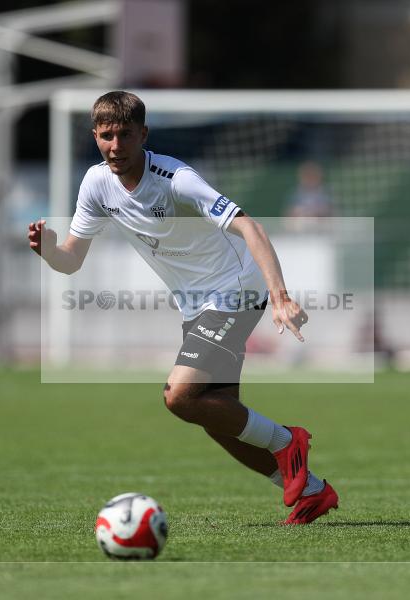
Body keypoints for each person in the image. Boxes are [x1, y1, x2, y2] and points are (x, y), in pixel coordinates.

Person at [28, 91, 338, 524]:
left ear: (143, 135)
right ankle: (311, 491)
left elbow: (249, 225)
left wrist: (280, 296)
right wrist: (48, 251)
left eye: (124, 135)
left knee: (179, 396)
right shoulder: (96, 184)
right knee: (215, 415)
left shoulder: (175, 178)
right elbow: (71, 260)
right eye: (105, 136)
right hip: (198, 303)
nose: (114, 146)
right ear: (95, 136)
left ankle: (289, 441)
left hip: (236, 289)